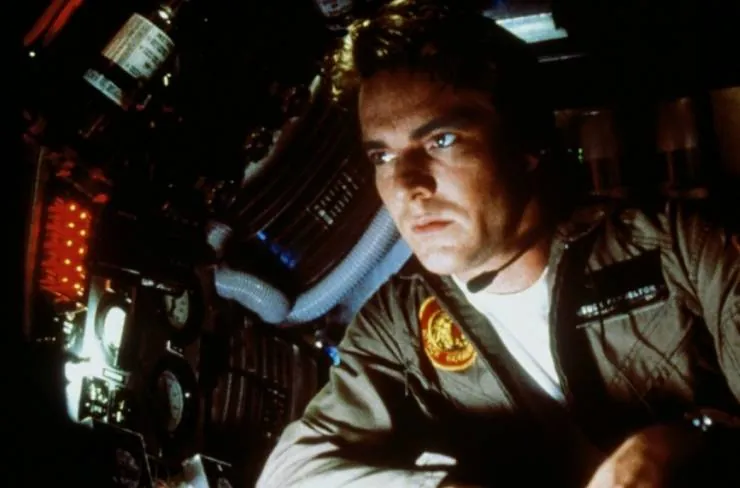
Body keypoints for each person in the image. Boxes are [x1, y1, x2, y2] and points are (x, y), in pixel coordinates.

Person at [256, 1, 740, 486]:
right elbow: (290, 474)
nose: (406, 186)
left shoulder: (681, 249)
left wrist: (686, 442)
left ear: (525, 143)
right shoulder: (397, 325)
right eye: (382, 156)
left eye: (441, 140)